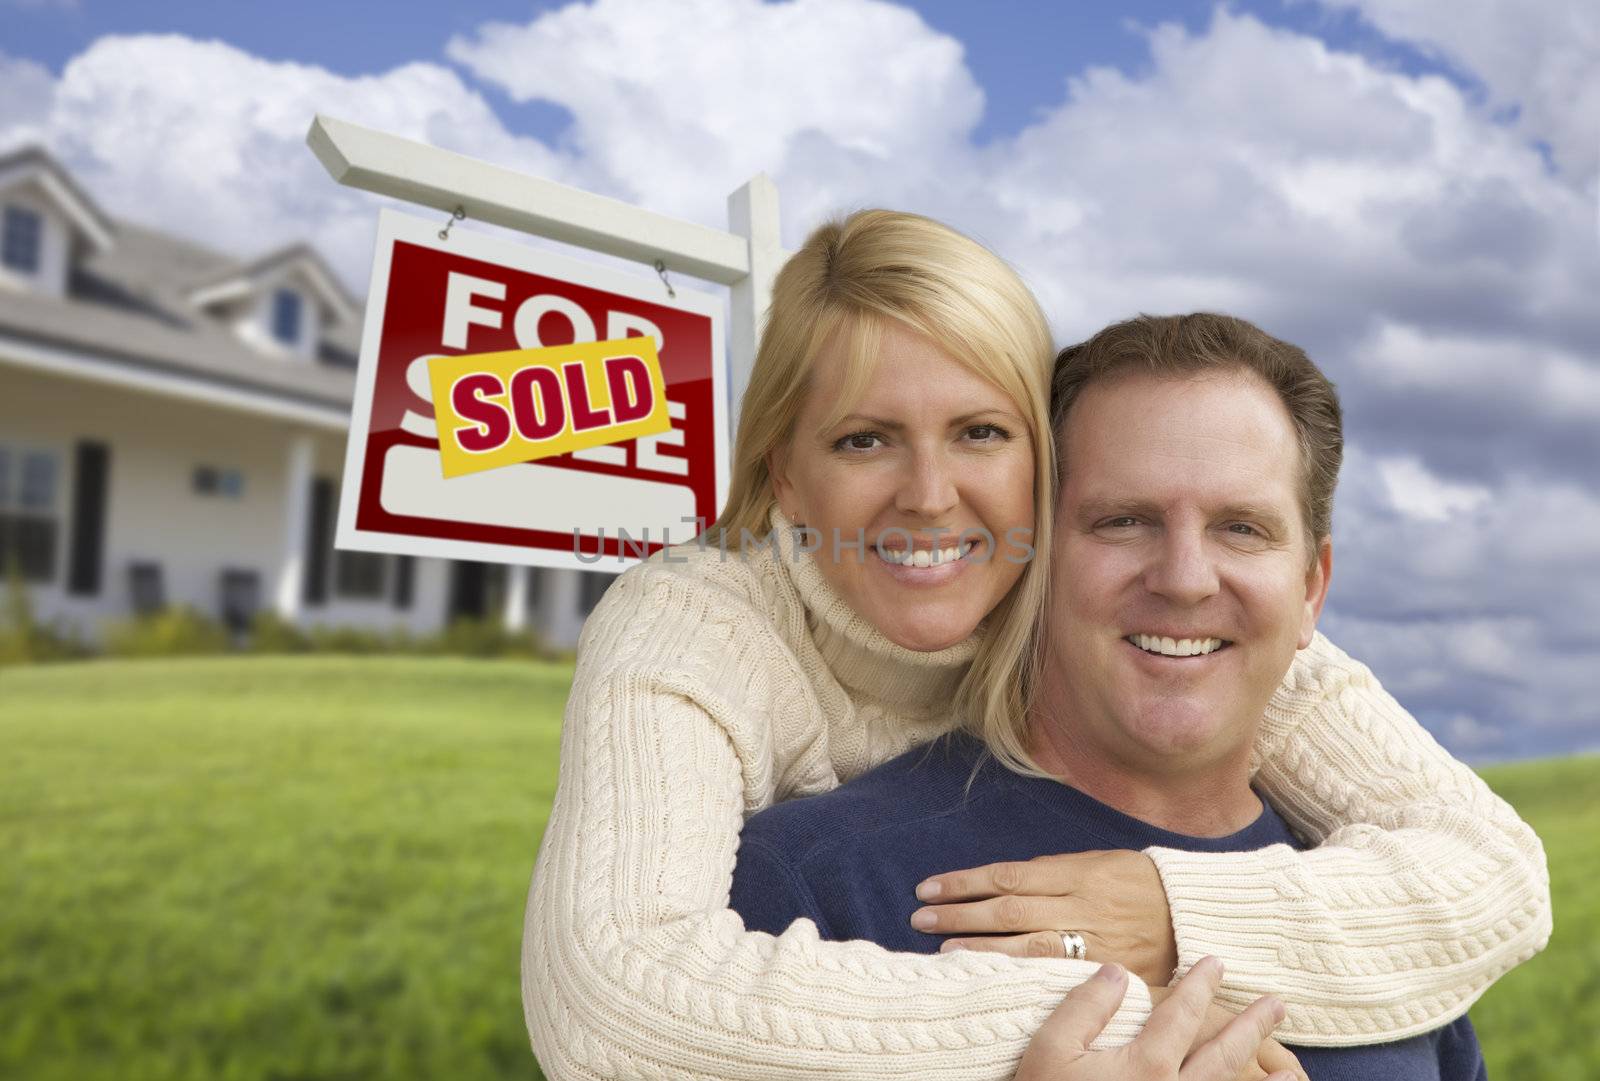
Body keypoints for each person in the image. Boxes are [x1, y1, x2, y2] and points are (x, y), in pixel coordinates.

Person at [522, 211, 1550, 1081]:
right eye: (861, 438)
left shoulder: (1222, 652)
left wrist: (1177, 914)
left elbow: (1491, 873)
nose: (930, 497)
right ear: (783, 474)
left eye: (979, 431)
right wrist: (1116, 1010)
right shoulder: (706, 641)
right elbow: (614, 992)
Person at [728, 312, 1501, 1079]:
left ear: (1310, 590)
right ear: (1034, 556)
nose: (1185, 578)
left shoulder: (1395, 935)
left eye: (1241, 528)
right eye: (1123, 521)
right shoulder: (813, 886)